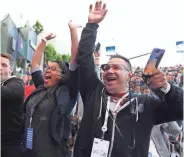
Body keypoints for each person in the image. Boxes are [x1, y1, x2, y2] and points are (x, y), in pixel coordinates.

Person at [73, 1, 183, 157]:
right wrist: (91, 26)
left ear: (129, 75)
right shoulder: (94, 93)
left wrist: (166, 89)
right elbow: (84, 59)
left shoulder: (146, 103)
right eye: (106, 67)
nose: (109, 70)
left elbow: (180, 110)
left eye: (116, 68)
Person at [22, 24, 78, 157]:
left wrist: (73, 30)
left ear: (63, 75)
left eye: (53, 69)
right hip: (29, 149)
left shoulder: (68, 92)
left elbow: (75, 60)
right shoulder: (41, 87)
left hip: (53, 152)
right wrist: (43, 41)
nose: (47, 70)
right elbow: (35, 65)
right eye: (47, 68)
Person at [1, 53, 24, 157]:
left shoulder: (17, 84)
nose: (0, 68)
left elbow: (3, 92)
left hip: (10, 147)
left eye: (4, 65)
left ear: (11, 69)